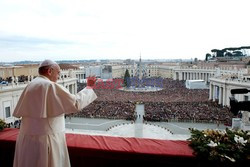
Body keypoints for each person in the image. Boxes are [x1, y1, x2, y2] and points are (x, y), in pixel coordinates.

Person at [12, 59, 97, 167]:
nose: (59, 76)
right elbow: (75, 103)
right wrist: (89, 87)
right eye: (58, 73)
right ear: (50, 71)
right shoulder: (49, 86)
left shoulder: (31, 85)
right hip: (46, 141)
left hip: (26, 140)